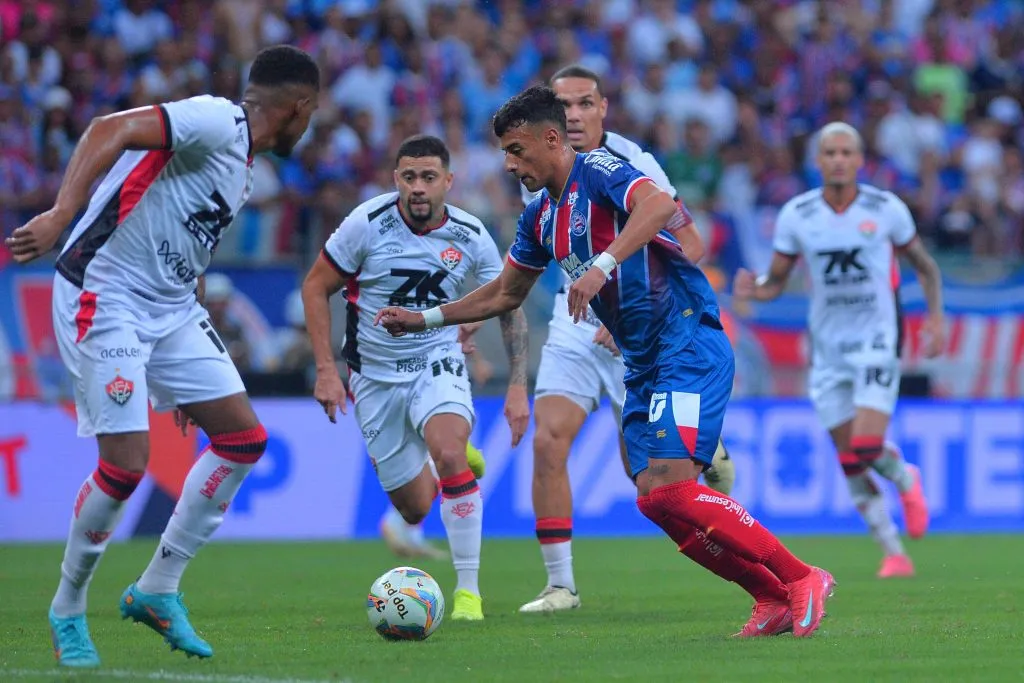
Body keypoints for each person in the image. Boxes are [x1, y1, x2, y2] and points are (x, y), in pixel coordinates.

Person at [376, 86, 835, 638]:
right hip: (642, 362)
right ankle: (769, 597)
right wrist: (424, 319)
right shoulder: (540, 217)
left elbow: (660, 205)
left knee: (672, 488)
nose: (509, 163)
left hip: (685, 340)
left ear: (551, 138)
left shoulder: (598, 169)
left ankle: (802, 576)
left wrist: (602, 263)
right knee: (656, 503)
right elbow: (503, 294)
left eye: (517, 149)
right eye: (504, 152)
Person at [4, 45, 320, 667]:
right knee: (125, 464)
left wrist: (180, 382)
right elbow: (109, 128)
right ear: (299, 108)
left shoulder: (243, 166)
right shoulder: (216, 120)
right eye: (310, 117)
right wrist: (64, 210)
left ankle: (157, 588)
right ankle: (67, 607)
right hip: (106, 291)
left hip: (171, 307)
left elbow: (184, 239)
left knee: (241, 439)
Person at [517, 64, 735, 614]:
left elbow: (691, 241)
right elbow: (521, 264)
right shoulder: (537, 165)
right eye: (562, 105)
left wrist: (638, 303)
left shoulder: (633, 163)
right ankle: (559, 584)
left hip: (636, 326)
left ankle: (705, 465)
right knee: (549, 440)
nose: (572, 115)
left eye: (584, 103)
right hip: (575, 320)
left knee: (644, 479)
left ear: (603, 108)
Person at [301, 134, 530, 621]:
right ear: (395, 180)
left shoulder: (470, 234)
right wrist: (326, 369)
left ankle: (469, 594)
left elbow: (507, 299)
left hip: (436, 359)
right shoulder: (365, 224)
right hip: (374, 377)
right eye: (409, 177)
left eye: (429, 177)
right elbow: (316, 286)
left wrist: (516, 382)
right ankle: (448, 453)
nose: (418, 187)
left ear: (448, 181)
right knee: (413, 509)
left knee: (448, 455)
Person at [733, 122, 942, 578]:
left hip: (877, 339)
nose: (839, 159)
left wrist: (937, 320)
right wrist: (755, 288)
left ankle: (905, 478)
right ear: (819, 160)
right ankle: (893, 551)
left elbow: (925, 267)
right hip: (826, 348)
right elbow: (777, 283)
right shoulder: (798, 214)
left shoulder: (886, 209)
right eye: (830, 152)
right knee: (849, 459)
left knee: (865, 445)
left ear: (860, 158)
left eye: (847, 151)